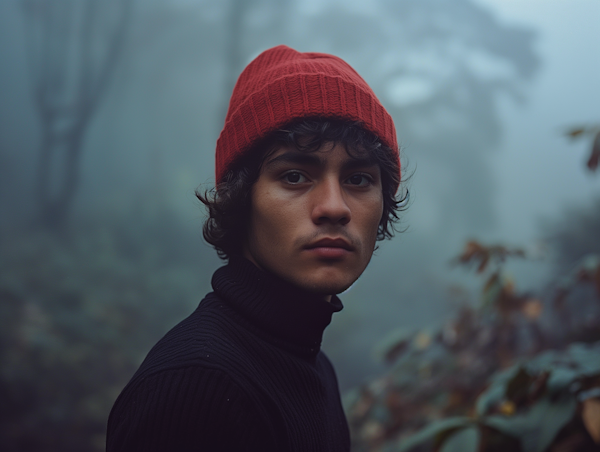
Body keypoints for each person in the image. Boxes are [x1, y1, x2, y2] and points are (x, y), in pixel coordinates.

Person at [106, 44, 404, 452]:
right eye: (296, 176)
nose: (334, 207)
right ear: (241, 198)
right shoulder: (198, 388)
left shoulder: (314, 365)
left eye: (358, 180)